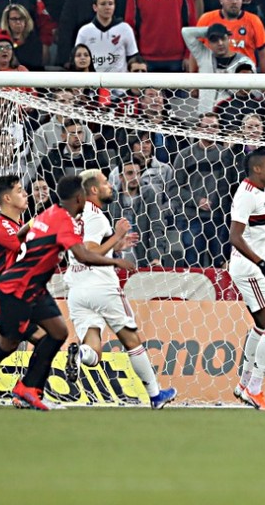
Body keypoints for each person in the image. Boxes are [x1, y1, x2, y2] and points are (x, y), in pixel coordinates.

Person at [0, 175, 135, 411]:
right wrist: (115, 258)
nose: (26, 194)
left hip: (32, 289)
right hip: (9, 292)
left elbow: (28, 237)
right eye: (20, 190)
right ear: (79, 198)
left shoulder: (46, 215)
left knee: (57, 332)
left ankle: (28, 389)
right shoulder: (16, 226)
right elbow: (80, 254)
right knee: (13, 343)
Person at [63, 170, 176, 409]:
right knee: (132, 341)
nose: (110, 186)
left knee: (93, 351)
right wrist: (117, 235)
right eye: (105, 183)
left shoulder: (74, 217)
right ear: (93, 190)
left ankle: (80, 355)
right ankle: (156, 396)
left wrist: (115, 246)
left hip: (76, 289)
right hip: (101, 286)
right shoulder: (97, 217)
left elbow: (88, 249)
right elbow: (90, 253)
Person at [228, 149, 265, 411]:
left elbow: (256, 229)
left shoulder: (262, 194)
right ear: (257, 169)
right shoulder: (246, 195)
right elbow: (236, 237)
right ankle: (254, 388)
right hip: (250, 268)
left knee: (262, 327)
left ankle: (243, 386)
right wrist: (262, 265)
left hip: (254, 266)